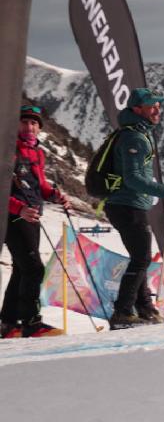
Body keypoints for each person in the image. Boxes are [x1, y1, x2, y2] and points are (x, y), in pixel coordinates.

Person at [104, 88, 164, 329]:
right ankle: (122, 312)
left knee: (139, 257)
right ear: (138, 109)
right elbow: (133, 179)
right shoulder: (134, 138)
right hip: (127, 205)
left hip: (128, 205)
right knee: (141, 258)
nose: (158, 109)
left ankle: (145, 308)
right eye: (152, 105)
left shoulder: (137, 133)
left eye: (159, 105)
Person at [1, 105, 71, 338]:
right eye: (24, 122)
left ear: (39, 128)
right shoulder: (7, 149)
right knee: (33, 268)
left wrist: (54, 195)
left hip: (32, 215)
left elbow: (39, 185)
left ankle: (8, 323)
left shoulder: (37, 153)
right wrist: (19, 208)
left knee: (22, 269)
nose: (29, 127)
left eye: (34, 123)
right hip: (13, 216)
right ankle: (31, 323)